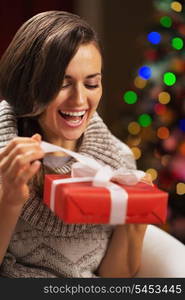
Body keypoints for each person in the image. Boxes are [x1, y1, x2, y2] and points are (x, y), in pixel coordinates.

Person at [0, 10, 147, 278]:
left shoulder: (119, 160)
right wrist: (9, 200)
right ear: (28, 85)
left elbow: (115, 280)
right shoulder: (5, 159)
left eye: (92, 84)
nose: (79, 101)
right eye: (62, 84)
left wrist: (136, 219)